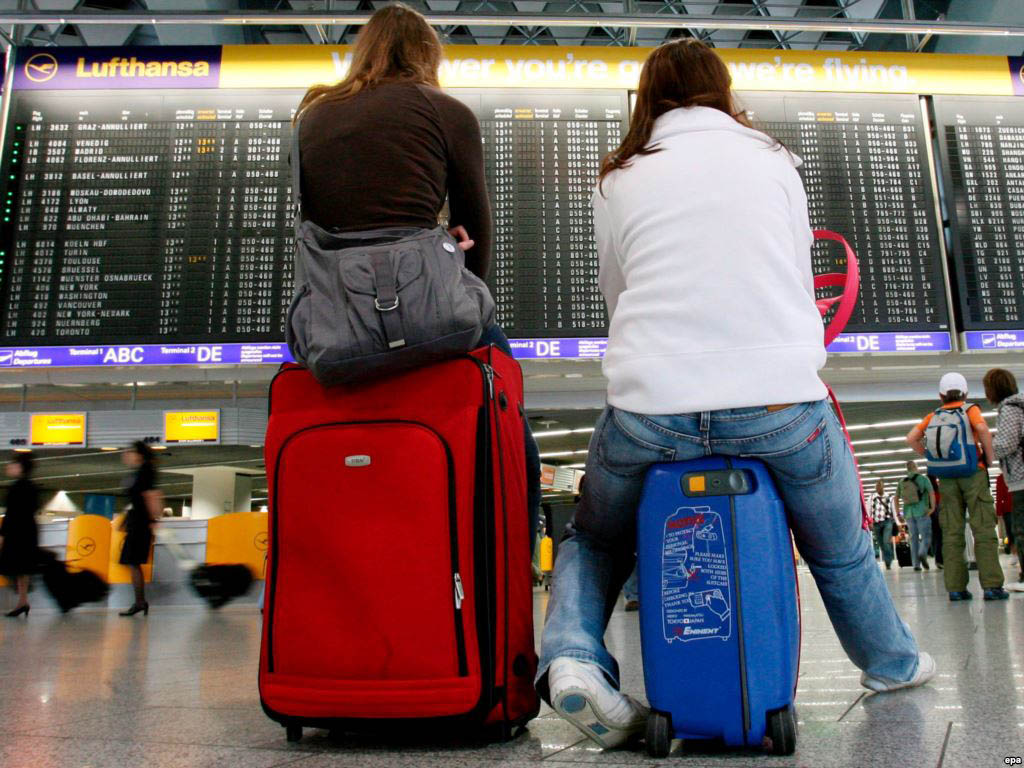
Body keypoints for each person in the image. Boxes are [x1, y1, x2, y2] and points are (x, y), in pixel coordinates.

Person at [537, 39, 932, 751]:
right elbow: (794, 271)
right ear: (721, 88)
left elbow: (615, 290)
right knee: (839, 547)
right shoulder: (774, 159)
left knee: (594, 540)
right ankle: (892, 663)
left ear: (647, 96)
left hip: (650, 407)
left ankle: (572, 658)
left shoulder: (619, 174)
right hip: (778, 400)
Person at [293, 2, 540, 546]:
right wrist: (463, 289)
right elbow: (476, 224)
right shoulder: (446, 111)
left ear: (364, 50)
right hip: (431, 308)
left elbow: (314, 224)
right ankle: (519, 552)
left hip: (335, 321)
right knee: (512, 430)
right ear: (428, 55)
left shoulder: (313, 117)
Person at [906, 372, 1009, 601]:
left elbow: (911, 438)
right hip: (973, 473)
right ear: (965, 393)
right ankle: (992, 586)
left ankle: (955, 588)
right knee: (983, 529)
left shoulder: (933, 416)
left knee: (951, 532)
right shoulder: (970, 410)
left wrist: (930, 457)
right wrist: (989, 458)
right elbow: (982, 428)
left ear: (941, 395)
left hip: (947, 479)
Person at [984, 367, 1024, 591]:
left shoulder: (1008, 409)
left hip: (1020, 476)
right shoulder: (1021, 405)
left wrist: (990, 442)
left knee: (1021, 528)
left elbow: (1006, 445)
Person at [118, 441, 160, 616]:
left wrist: (154, 520)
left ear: (139, 455)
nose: (126, 455)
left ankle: (140, 602)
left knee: (133, 561)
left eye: (130, 452)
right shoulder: (139, 472)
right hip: (137, 522)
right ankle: (140, 602)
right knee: (132, 562)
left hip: (141, 524)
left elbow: (152, 496)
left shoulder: (145, 472)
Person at [0, 453, 39, 617]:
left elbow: (11, 514)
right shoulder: (32, 487)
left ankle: (22, 601)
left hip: (16, 533)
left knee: (15, 566)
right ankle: (23, 601)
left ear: (20, 468)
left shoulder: (16, 488)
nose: (8, 466)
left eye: (13, 464)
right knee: (22, 568)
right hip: (28, 532)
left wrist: (2, 535)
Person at [899, 461, 935, 571]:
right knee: (926, 537)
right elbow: (931, 493)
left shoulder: (902, 481)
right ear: (915, 467)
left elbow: (896, 498)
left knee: (913, 539)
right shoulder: (923, 479)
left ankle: (916, 564)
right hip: (922, 512)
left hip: (909, 514)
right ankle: (922, 552)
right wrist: (932, 508)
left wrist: (898, 513)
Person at [868, 479, 898, 570]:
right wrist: (869, 522)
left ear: (883, 487)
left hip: (887, 522)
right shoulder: (871, 497)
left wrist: (898, 523)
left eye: (879, 486)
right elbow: (868, 510)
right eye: (876, 487)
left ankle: (888, 562)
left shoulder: (889, 497)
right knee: (881, 544)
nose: (877, 488)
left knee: (886, 542)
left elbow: (894, 510)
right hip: (876, 523)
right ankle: (888, 557)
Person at [929, 474, 943, 569]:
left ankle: (937, 559)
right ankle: (940, 560)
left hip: (930, 517)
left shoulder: (926, 491)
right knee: (940, 538)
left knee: (935, 538)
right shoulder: (938, 490)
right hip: (939, 515)